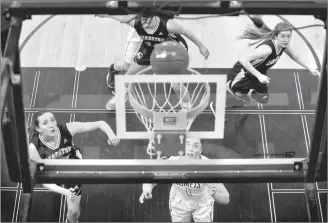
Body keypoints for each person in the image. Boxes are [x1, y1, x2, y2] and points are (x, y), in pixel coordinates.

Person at [96, 6, 209, 110]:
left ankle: (186, 106)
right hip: (149, 47)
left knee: (176, 85)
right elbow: (120, 18)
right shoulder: (136, 23)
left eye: (147, 21)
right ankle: (121, 96)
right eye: (142, 20)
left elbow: (186, 32)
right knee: (129, 74)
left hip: (172, 51)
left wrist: (201, 46)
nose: (144, 24)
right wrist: (106, 14)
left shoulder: (168, 25)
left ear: (153, 16)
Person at [28, 111, 120, 222]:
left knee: (74, 213)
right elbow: (43, 180)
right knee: (53, 186)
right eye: (45, 123)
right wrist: (64, 191)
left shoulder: (67, 129)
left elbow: (100, 123)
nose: (51, 124)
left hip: (73, 165)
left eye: (52, 120)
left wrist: (112, 135)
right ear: (38, 129)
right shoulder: (34, 148)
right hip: (51, 171)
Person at [227, 21, 320, 105]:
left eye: (288, 36)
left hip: (257, 73)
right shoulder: (267, 50)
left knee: (263, 99)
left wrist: (309, 67)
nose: (286, 39)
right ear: (275, 36)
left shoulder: (283, 45)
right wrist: (259, 76)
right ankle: (229, 92)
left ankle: (250, 92)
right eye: (282, 36)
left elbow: (295, 56)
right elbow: (242, 59)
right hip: (243, 72)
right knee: (240, 96)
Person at [139, 138, 230, 222]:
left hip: (202, 201)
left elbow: (226, 199)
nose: (190, 149)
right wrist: (147, 190)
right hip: (179, 201)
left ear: (200, 150)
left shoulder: (208, 167)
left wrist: (214, 194)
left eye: (195, 146)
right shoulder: (174, 162)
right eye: (188, 144)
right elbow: (151, 178)